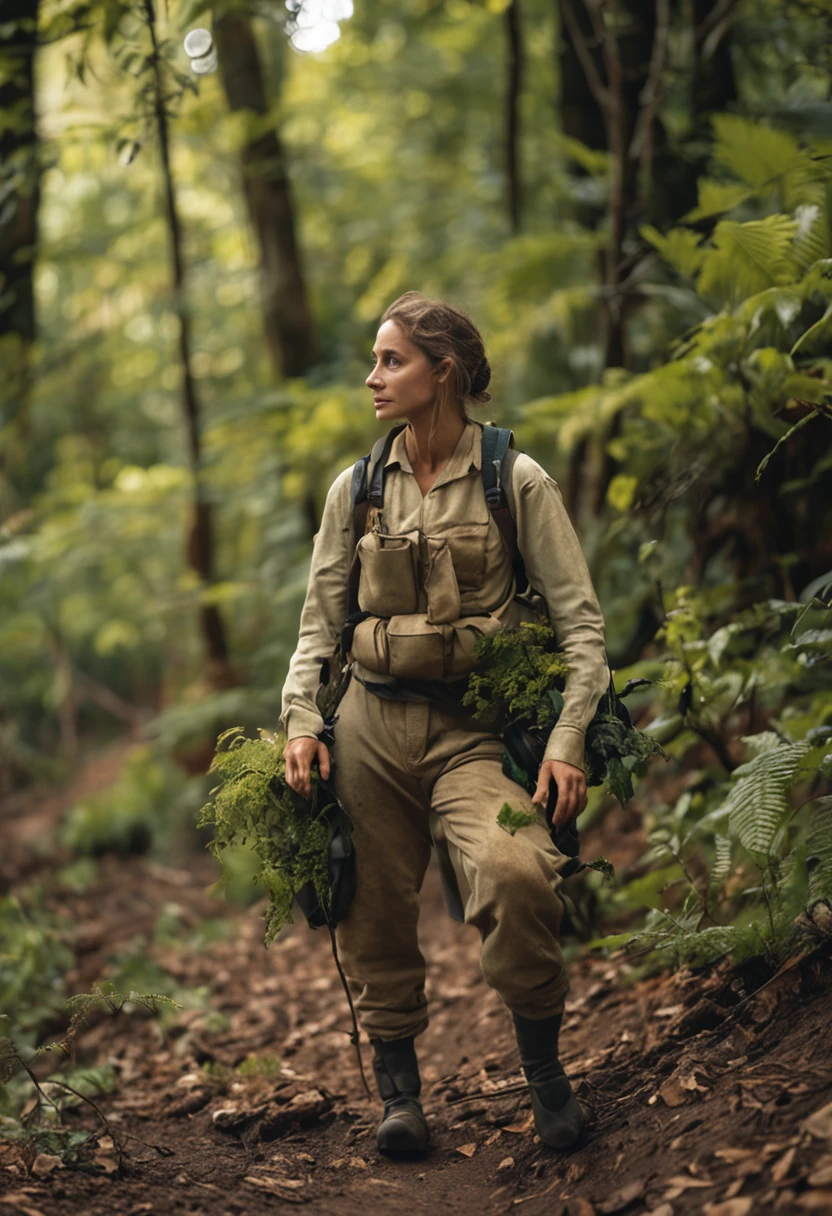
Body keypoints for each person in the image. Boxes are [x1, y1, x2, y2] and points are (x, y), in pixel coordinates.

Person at [280, 291, 609, 1155]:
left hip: (479, 732)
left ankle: (544, 1073)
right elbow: (319, 624)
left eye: (392, 361)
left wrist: (569, 741)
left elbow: (582, 629)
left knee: (516, 874)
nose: (372, 377)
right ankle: (400, 1097)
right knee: (368, 908)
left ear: (443, 373)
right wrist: (302, 724)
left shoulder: (515, 480)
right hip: (369, 731)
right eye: (376, 360)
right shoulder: (353, 491)